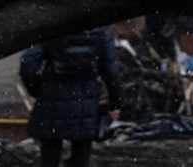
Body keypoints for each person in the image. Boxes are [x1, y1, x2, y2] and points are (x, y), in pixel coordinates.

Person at [19, 25, 123, 167]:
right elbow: (112, 73)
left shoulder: (53, 25)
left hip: (52, 98)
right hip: (86, 101)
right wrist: (115, 101)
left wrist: (37, 90)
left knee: (49, 155)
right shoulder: (100, 29)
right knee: (81, 154)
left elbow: (28, 63)